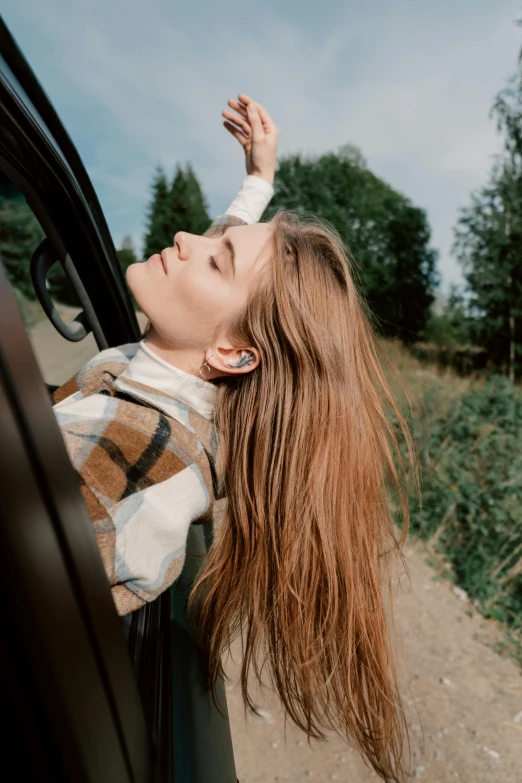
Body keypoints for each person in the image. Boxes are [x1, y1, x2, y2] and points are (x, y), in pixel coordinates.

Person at [53, 94, 415, 783]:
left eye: (215, 259)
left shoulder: (137, 451)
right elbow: (228, 285)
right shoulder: (196, 390)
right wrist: (257, 182)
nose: (188, 240)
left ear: (235, 354)